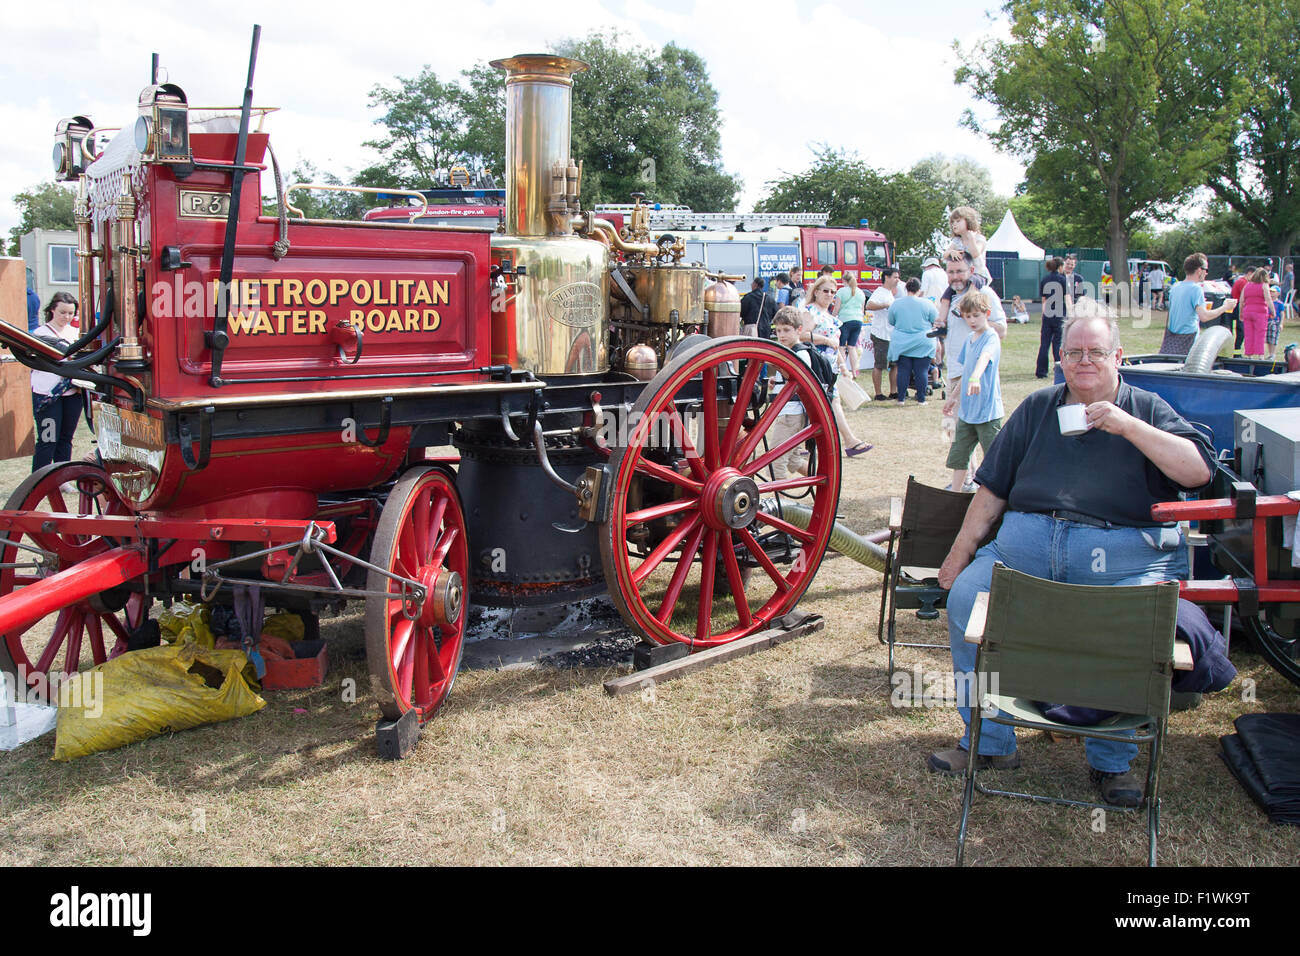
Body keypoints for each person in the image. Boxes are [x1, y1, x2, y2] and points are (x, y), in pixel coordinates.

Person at [930, 308, 1215, 806]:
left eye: (1096, 353)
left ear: (1117, 357)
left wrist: (1128, 427)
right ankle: (991, 742)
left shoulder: (1145, 408)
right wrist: (958, 555)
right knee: (965, 602)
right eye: (1074, 353)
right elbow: (992, 489)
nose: (1085, 361)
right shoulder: (1038, 407)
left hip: (1120, 554)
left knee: (1125, 631)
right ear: (1059, 359)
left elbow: (1197, 474)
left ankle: (1112, 761)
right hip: (1025, 549)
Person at [802, 276, 872, 456]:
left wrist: (844, 367)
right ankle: (849, 441)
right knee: (831, 403)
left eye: (833, 292)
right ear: (816, 292)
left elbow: (836, 346)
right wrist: (825, 340)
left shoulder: (830, 317)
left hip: (830, 365)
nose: (829, 294)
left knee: (829, 403)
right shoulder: (811, 312)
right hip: (816, 363)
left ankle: (842, 442)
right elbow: (802, 335)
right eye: (825, 290)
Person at [942, 288, 1003, 494]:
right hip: (967, 412)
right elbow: (966, 370)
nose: (972, 320)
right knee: (960, 455)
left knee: (994, 459)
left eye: (976, 315)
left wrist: (977, 377)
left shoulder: (991, 337)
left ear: (987, 313)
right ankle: (955, 493)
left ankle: (992, 496)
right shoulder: (969, 339)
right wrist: (953, 397)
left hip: (987, 412)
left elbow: (984, 359)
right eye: (967, 316)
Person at [30, 292, 85, 473]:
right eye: (62, 312)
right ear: (52, 310)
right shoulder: (39, 334)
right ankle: (39, 481)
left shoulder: (76, 333)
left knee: (65, 438)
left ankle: (62, 478)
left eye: (70, 313)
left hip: (72, 393)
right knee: (48, 439)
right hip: (47, 394)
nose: (66, 317)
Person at [769, 307, 811, 479]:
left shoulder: (800, 353)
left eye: (786, 330)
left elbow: (799, 381)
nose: (781, 335)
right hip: (787, 412)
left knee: (775, 461)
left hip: (791, 414)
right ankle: (824, 485)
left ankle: (780, 503)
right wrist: (776, 382)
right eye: (778, 330)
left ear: (798, 330)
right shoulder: (789, 352)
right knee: (794, 461)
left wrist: (778, 366)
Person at [1162, 253, 1233, 356]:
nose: (1206, 273)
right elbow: (1204, 316)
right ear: (1199, 270)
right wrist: (1225, 307)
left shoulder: (1176, 287)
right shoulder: (1196, 289)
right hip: (1188, 340)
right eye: (1206, 270)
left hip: (1172, 340)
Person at [887, 277, 937, 404]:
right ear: (919, 290)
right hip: (923, 341)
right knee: (922, 371)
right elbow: (935, 319)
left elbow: (891, 321)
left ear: (906, 288)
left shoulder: (896, 303)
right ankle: (921, 399)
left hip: (902, 342)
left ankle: (901, 399)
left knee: (903, 370)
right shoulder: (927, 303)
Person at [865, 267, 901, 400]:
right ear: (886, 277)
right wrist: (885, 305)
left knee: (894, 364)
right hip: (881, 334)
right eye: (895, 277)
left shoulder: (890, 293)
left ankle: (893, 391)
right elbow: (869, 305)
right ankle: (878, 393)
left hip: (891, 334)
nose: (897, 280)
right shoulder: (880, 292)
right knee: (879, 365)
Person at [1037, 257, 1068, 378]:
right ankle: (1058, 369)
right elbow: (1067, 297)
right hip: (1059, 313)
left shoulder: (1045, 279)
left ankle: (1041, 371)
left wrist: (1043, 315)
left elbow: (1043, 300)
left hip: (1048, 314)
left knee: (1044, 344)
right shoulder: (1063, 280)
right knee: (1058, 342)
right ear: (1060, 267)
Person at [835, 272, 866, 378]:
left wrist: (832, 317)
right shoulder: (861, 292)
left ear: (844, 281)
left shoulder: (841, 291)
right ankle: (854, 371)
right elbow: (862, 309)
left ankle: (843, 371)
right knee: (852, 347)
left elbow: (837, 308)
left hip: (845, 320)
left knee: (842, 347)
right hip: (858, 320)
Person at [946, 206, 989, 281]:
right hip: (963, 277)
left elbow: (975, 254)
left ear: (968, 221)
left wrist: (971, 239)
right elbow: (944, 255)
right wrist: (951, 252)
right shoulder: (957, 241)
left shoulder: (979, 238)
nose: (954, 224)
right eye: (952, 222)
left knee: (972, 287)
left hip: (979, 275)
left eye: (958, 221)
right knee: (948, 292)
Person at [1239, 267, 1271, 360]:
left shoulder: (1247, 285)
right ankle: (1260, 355)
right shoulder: (1264, 285)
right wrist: (1273, 311)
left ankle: (1249, 355)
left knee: (1248, 334)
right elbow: (1268, 299)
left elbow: (1241, 301)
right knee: (1260, 333)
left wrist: (1240, 313)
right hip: (1260, 312)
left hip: (1247, 311)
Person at [1267, 284, 1285, 361]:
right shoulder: (1267, 302)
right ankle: (1270, 354)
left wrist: (1281, 323)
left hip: (1275, 322)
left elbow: (1282, 313)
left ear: (1278, 293)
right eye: (1270, 291)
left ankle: (1273, 354)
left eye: (1273, 292)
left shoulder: (1280, 303)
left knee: (1274, 339)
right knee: (1268, 338)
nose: (1271, 293)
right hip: (1267, 321)